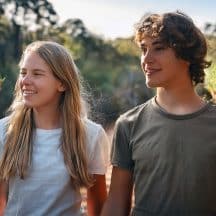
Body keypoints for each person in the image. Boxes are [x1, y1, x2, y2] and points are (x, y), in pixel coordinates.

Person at [101, 11, 216, 216]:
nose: (146, 59)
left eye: (159, 48)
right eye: (143, 49)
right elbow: (116, 204)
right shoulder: (128, 124)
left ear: (187, 55)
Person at [0, 41, 109, 216]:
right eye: (23, 73)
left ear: (62, 84)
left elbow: (97, 203)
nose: (25, 81)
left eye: (37, 74)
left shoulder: (91, 134)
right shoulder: (4, 130)